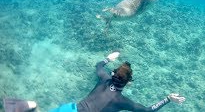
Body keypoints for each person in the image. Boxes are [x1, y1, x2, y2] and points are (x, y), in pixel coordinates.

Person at [3, 52, 186, 112]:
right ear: (129, 83)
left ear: (112, 73)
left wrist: (108, 58)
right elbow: (147, 110)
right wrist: (168, 98)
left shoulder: (104, 78)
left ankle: (27, 106)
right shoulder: (122, 101)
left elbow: (98, 65)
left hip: (70, 108)